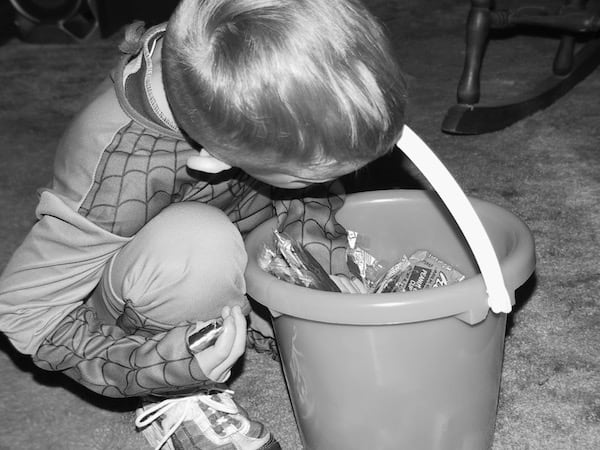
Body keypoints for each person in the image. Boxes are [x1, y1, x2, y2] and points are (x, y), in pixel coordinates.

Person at [0, 0, 407, 448]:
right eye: (317, 176)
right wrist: (157, 363)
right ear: (213, 160)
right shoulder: (113, 172)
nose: (335, 184)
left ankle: (255, 309)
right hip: (142, 288)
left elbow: (305, 186)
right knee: (199, 239)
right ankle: (183, 394)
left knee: (287, 188)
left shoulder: (234, 58)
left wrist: (324, 271)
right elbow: (24, 315)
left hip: (238, 227)